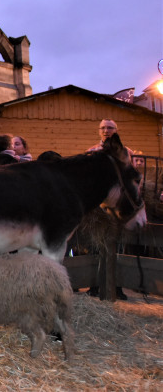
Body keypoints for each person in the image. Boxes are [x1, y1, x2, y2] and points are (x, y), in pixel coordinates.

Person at [86, 119, 133, 300]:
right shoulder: (92, 152)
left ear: (116, 130)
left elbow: (132, 177)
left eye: (110, 128)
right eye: (103, 128)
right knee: (96, 245)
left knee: (118, 244)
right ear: (99, 131)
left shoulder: (126, 153)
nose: (106, 131)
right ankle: (94, 285)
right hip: (98, 206)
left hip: (118, 206)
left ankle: (117, 287)